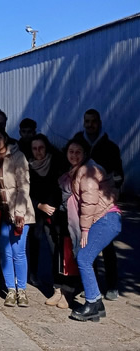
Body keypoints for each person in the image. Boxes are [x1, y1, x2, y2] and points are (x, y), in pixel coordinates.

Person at [65, 138, 122, 322]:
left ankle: (92, 303)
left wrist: (85, 230)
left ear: (85, 154)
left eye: (78, 152)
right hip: (104, 218)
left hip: (106, 219)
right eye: (71, 151)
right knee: (85, 257)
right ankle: (96, 303)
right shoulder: (80, 169)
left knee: (84, 257)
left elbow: (89, 202)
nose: (73, 155)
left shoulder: (87, 171)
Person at [72, 108, 123, 301]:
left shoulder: (110, 147)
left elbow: (118, 174)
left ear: (99, 122)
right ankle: (89, 285)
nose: (90, 124)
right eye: (87, 121)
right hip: (85, 202)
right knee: (87, 247)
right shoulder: (78, 141)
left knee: (107, 247)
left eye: (93, 121)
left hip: (103, 204)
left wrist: (114, 191)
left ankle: (111, 285)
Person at [0, 127, 35, 307]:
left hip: (19, 211)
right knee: (5, 253)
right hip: (1, 212)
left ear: (5, 137)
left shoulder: (18, 156)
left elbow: (24, 186)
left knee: (18, 252)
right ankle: (11, 290)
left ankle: (21, 290)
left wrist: (20, 213)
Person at [28, 134, 73, 309]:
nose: (38, 152)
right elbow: (27, 192)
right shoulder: (29, 166)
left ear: (46, 148)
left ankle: (63, 289)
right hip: (38, 212)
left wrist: (52, 206)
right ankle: (55, 288)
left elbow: (62, 188)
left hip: (57, 214)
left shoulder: (57, 163)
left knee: (58, 252)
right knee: (37, 244)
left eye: (41, 148)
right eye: (34, 148)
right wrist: (39, 205)